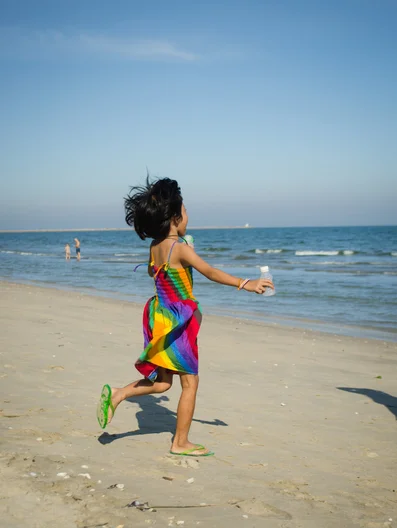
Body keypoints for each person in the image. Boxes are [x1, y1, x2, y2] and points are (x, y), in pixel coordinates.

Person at [97, 177, 274, 456]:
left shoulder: (156, 245)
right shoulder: (179, 248)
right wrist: (246, 283)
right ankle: (180, 443)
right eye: (186, 212)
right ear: (175, 217)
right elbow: (211, 272)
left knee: (163, 383)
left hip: (160, 316)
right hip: (178, 324)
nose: (189, 217)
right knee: (190, 382)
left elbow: (153, 273)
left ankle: (119, 394)